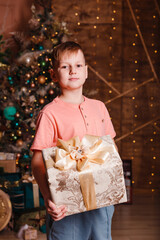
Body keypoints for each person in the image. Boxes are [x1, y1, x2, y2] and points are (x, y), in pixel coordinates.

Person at [31, 41, 116, 240]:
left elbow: (111, 149)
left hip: (100, 199)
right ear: (53, 74)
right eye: (65, 66)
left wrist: (114, 184)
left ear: (86, 71)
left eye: (78, 66)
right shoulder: (49, 113)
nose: (72, 71)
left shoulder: (99, 107)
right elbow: (37, 162)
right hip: (66, 203)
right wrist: (48, 196)